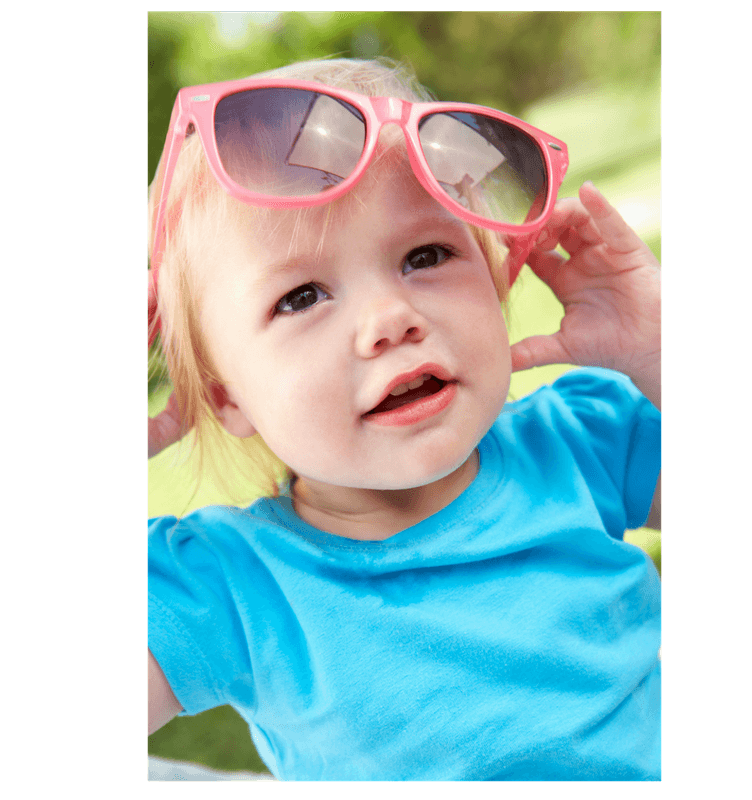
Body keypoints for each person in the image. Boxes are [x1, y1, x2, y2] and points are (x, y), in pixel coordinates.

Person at [147, 57, 661, 782]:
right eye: (301, 297)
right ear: (227, 395)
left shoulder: (579, 442)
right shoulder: (229, 587)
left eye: (425, 255)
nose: (391, 318)